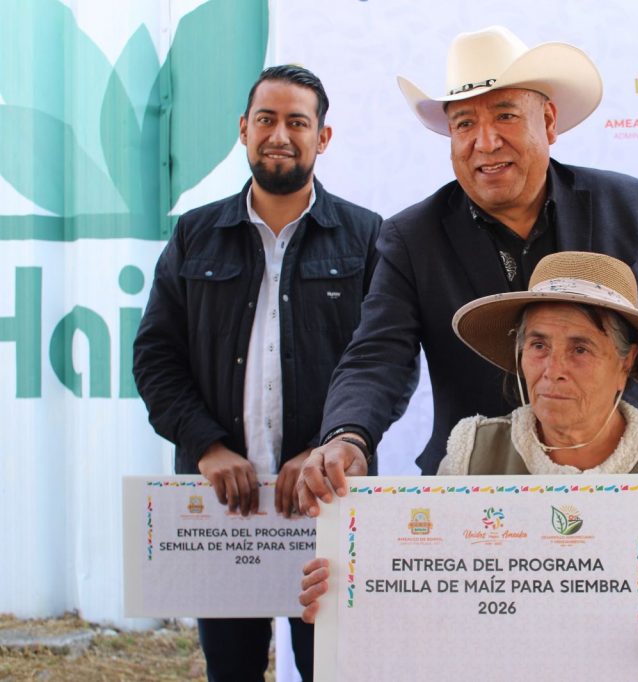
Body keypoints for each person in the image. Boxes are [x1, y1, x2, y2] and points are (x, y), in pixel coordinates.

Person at [299, 251, 638, 679]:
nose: (553, 369)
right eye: (538, 345)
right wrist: (351, 595)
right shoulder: (472, 452)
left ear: (626, 362)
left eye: (580, 349)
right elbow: (433, 590)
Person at [300, 25, 638, 490]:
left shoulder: (624, 205)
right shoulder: (412, 237)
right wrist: (347, 436)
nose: (486, 141)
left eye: (506, 116)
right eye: (464, 124)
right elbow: (378, 355)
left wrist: (608, 432)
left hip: (617, 479)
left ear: (549, 121)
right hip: (473, 482)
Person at [133, 65, 384, 682]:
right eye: (266, 120)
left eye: (297, 122)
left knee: (332, 669)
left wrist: (327, 445)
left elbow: (385, 362)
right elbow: (156, 357)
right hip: (223, 509)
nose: (280, 135)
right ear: (244, 130)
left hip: (328, 502)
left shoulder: (367, 236)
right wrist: (206, 446)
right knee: (231, 670)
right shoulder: (195, 235)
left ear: (322, 137)